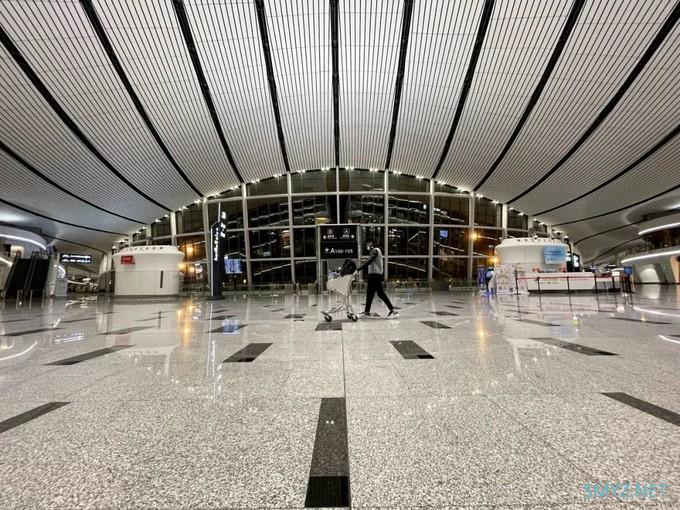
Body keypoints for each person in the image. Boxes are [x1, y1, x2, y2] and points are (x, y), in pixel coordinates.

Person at [357, 238, 398, 318]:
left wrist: (360, 268)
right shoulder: (377, 250)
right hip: (376, 275)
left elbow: (370, 260)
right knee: (379, 294)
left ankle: (367, 312)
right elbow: (371, 260)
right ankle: (392, 310)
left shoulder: (375, 250)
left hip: (374, 275)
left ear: (371, 243)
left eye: (367, 243)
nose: (367, 245)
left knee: (370, 294)